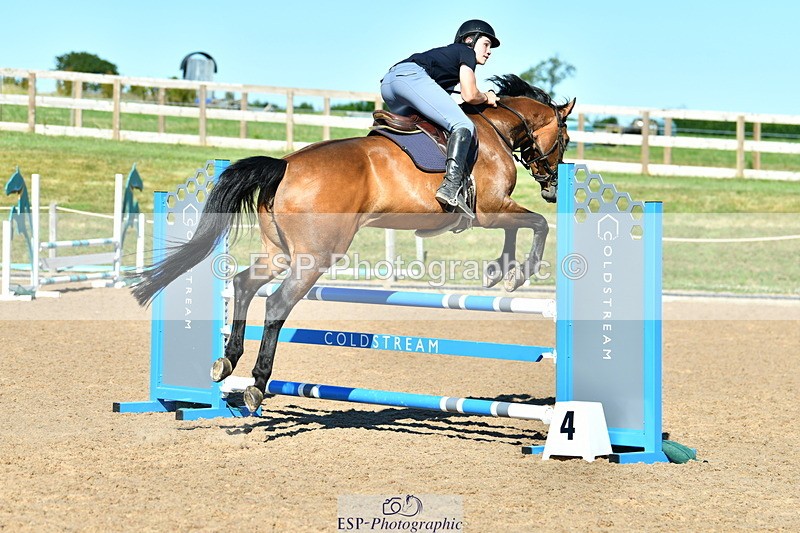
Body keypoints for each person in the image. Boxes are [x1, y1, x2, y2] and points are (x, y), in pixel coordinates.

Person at [380, 20, 500, 218]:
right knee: (463, 124)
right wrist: (487, 96)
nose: (489, 51)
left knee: (430, 125)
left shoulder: (448, 60)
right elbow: (470, 94)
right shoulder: (466, 52)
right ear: (470, 40)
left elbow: (452, 99)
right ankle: (450, 188)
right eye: (486, 44)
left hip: (389, 84)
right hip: (409, 77)